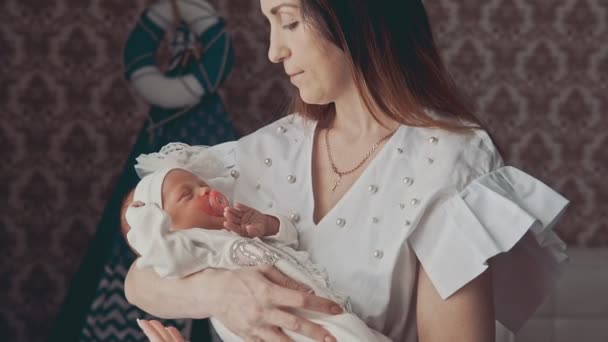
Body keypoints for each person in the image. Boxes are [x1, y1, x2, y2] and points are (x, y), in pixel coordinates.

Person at [124, 0, 570, 341]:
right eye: (270, 25)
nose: (274, 51)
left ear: (351, 15)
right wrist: (221, 293)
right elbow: (141, 275)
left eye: (290, 21)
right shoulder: (263, 152)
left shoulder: (447, 163)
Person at [122, 166, 391, 341]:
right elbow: (160, 259)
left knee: (358, 333)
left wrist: (268, 224)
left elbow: (291, 238)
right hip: (276, 323)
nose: (204, 190)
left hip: (320, 306)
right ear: (165, 225)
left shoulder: (237, 228)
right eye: (187, 195)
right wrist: (143, 220)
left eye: (200, 183)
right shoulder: (193, 249)